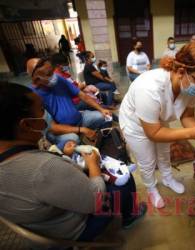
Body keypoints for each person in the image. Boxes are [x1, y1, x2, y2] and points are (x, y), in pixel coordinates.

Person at [0, 82, 146, 242]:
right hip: (68, 230)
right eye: (41, 110)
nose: (46, 117)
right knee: (124, 177)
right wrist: (93, 166)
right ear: (26, 125)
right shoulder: (44, 168)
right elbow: (96, 201)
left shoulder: (15, 158)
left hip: (40, 223)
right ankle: (130, 216)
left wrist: (64, 154)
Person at [119, 41, 195, 208]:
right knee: (147, 161)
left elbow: (187, 116)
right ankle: (151, 187)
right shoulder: (149, 87)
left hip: (159, 119)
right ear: (182, 71)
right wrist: (193, 133)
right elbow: (153, 133)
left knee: (164, 151)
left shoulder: (189, 85)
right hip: (135, 125)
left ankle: (167, 178)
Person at [27, 57, 112, 145]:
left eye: (52, 71)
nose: (53, 75)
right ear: (36, 79)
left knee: (104, 116)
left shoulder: (58, 80)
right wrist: (81, 130)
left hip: (79, 119)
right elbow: (52, 128)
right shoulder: (33, 96)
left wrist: (101, 109)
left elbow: (81, 95)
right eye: (49, 74)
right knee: (73, 139)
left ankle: (103, 143)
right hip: (60, 131)